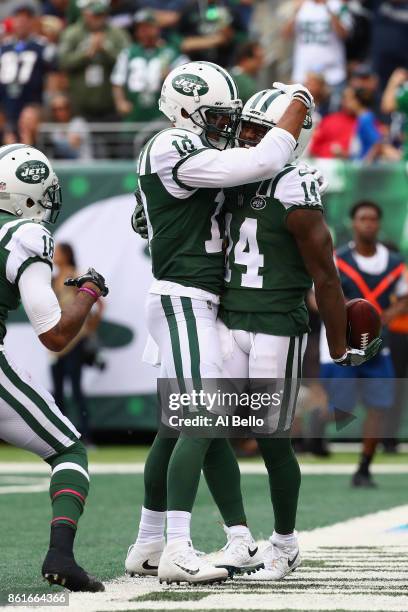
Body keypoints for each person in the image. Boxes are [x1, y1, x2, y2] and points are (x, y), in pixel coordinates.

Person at [126, 60, 316, 585]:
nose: (224, 125)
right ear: (185, 108)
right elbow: (257, 162)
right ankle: (178, 548)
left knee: (178, 428)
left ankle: (152, 543)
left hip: (202, 301)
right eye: (215, 115)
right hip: (185, 298)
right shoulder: (171, 145)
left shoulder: (193, 153)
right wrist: (298, 102)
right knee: (203, 418)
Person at [211, 89, 381, 581]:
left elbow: (326, 277)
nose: (244, 137)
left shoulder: (293, 185)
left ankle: (284, 543)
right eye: (243, 127)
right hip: (225, 320)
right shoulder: (227, 173)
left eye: (255, 130)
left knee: (271, 438)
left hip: (274, 326)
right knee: (204, 429)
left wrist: (335, 342)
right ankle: (238, 537)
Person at [0, 143, 109, 590]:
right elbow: (56, 335)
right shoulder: (24, 235)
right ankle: (60, 556)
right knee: (68, 450)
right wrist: (87, 292)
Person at [320, 201, 408, 487]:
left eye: (373, 218)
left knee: (378, 405)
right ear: (353, 223)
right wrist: (344, 315)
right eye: (363, 218)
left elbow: (404, 297)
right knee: (342, 410)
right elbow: (315, 296)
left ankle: (364, 468)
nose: (368, 223)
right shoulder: (337, 259)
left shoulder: (395, 263)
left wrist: (382, 317)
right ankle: (316, 423)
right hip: (342, 346)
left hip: (376, 346)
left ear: (379, 223)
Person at [51, 243, 103, 444]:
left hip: (74, 340)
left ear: (67, 255)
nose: (55, 255)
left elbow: (98, 303)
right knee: (57, 391)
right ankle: (60, 437)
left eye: (59, 252)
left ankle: (86, 437)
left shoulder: (75, 276)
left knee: (76, 388)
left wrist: (89, 328)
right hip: (56, 340)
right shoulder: (53, 278)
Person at [58, 0, 130, 120]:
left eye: (102, 15)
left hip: (110, 105)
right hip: (79, 106)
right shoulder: (72, 33)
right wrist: (85, 54)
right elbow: (63, 62)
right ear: (85, 14)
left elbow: (128, 62)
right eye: (95, 15)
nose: (99, 19)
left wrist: (105, 50)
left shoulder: (117, 34)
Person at [111, 9, 186, 123]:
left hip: (162, 113)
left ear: (157, 28)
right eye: (140, 28)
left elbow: (187, 77)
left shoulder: (170, 52)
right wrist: (120, 102)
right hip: (134, 111)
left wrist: (171, 76)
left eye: (147, 27)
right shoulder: (128, 53)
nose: (144, 31)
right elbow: (117, 81)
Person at [283, 0, 353, 110]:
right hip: (303, 75)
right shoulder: (301, 4)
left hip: (333, 75)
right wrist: (295, 12)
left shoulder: (338, 5)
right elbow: (285, 34)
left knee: (332, 116)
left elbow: (345, 34)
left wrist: (330, 10)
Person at [0, 4, 58, 131]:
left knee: (28, 124)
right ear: (13, 21)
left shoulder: (42, 46)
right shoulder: (4, 47)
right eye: (18, 18)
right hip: (5, 102)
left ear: (33, 22)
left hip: (32, 102)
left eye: (26, 19)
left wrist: (47, 102)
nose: (22, 23)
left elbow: (53, 74)